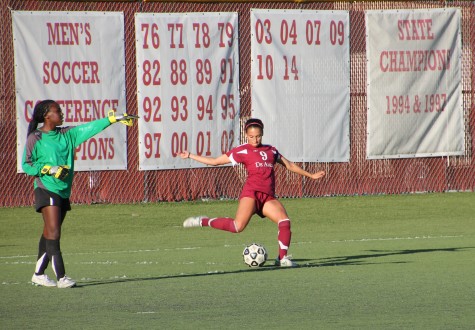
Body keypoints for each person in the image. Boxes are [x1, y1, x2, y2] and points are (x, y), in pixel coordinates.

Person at [22, 100, 138, 288]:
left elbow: (90, 128)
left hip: (63, 191)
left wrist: (113, 119)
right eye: (57, 110)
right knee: (54, 232)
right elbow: (26, 165)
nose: (61, 113)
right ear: (46, 115)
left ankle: (38, 274)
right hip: (46, 188)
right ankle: (62, 277)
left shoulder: (67, 134)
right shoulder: (35, 138)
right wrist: (49, 169)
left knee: (49, 233)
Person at [180, 118, 325, 267]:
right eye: (251, 136)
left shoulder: (271, 150)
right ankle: (203, 221)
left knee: (284, 222)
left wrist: (311, 175)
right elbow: (215, 161)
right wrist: (190, 155)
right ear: (246, 135)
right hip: (251, 194)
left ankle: (282, 259)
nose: (255, 139)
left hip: (267, 196)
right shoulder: (242, 150)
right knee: (237, 227)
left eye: (258, 136)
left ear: (262, 134)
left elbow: (289, 165)